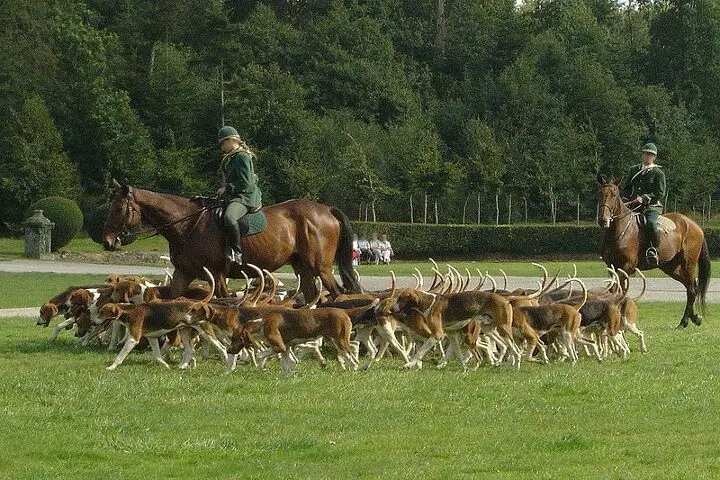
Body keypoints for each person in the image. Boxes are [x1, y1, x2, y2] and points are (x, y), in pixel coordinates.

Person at [215, 125, 263, 266]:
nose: (221, 147)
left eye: (222, 143)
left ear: (231, 140)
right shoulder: (232, 157)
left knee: (230, 217)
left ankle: (237, 252)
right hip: (235, 194)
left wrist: (227, 188)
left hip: (245, 196)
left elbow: (246, 183)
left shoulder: (241, 156)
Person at [621, 142, 666, 267]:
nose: (647, 156)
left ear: (654, 157)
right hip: (632, 206)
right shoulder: (634, 170)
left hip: (651, 206)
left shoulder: (658, 173)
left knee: (651, 224)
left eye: (650, 155)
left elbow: (660, 192)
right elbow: (626, 188)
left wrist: (645, 198)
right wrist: (625, 200)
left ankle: (653, 249)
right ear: (642, 155)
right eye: (645, 154)